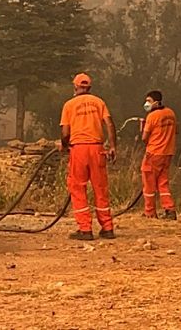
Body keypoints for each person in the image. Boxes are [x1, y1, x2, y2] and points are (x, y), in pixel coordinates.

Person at [59, 72, 117, 240]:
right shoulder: (99, 102)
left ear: (75, 87)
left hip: (79, 150)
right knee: (100, 188)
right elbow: (110, 124)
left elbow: (65, 132)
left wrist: (63, 146)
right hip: (98, 149)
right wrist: (113, 146)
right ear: (89, 87)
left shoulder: (69, 105)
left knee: (77, 188)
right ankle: (107, 227)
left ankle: (85, 229)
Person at [138, 89, 178, 220]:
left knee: (149, 183)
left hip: (154, 153)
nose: (146, 104)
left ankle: (150, 212)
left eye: (149, 101)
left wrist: (143, 129)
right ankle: (170, 209)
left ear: (156, 102)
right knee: (163, 183)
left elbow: (144, 138)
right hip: (168, 153)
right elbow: (176, 131)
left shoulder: (152, 116)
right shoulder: (171, 113)